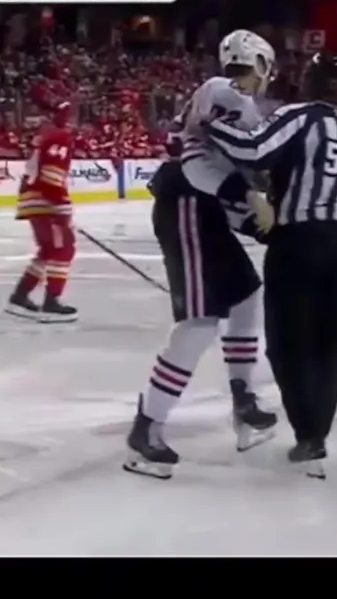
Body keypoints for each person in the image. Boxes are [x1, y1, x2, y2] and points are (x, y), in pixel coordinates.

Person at [122, 29, 280, 480]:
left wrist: (254, 219)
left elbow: (221, 172)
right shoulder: (225, 93)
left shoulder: (232, 100)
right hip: (187, 206)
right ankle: (146, 428)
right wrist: (249, 200)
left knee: (246, 295)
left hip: (202, 206)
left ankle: (243, 400)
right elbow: (197, 165)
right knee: (200, 321)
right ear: (261, 64)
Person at [204, 52, 337, 480]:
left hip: (299, 241)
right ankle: (318, 434)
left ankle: (308, 433)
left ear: (311, 81)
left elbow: (253, 149)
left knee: (287, 343)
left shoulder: (301, 115)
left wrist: (209, 124)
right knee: (332, 344)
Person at [5, 101, 78, 322]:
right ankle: (51, 301)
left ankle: (20, 295)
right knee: (63, 248)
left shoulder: (47, 134)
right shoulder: (61, 137)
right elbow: (51, 174)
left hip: (33, 198)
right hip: (45, 200)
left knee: (48, 249)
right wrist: (61, 205)